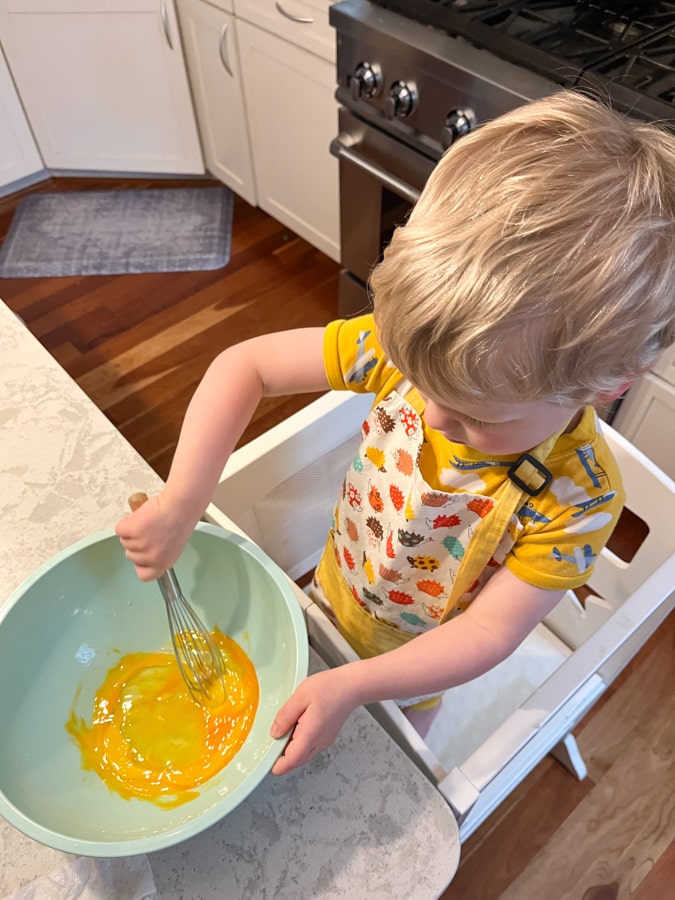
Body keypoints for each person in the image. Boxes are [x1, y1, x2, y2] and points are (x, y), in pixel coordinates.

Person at [116, 90, 675, 775]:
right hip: (334, 594)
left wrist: (358, 685)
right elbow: (246, 366)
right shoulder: (399, 350)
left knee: (389, 762)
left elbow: (488, 629)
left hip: (416, 669)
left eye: (478, 416)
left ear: (608, 385)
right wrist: (180, 502)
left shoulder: (576, 498)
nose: (431, 417)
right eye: (422, 384)